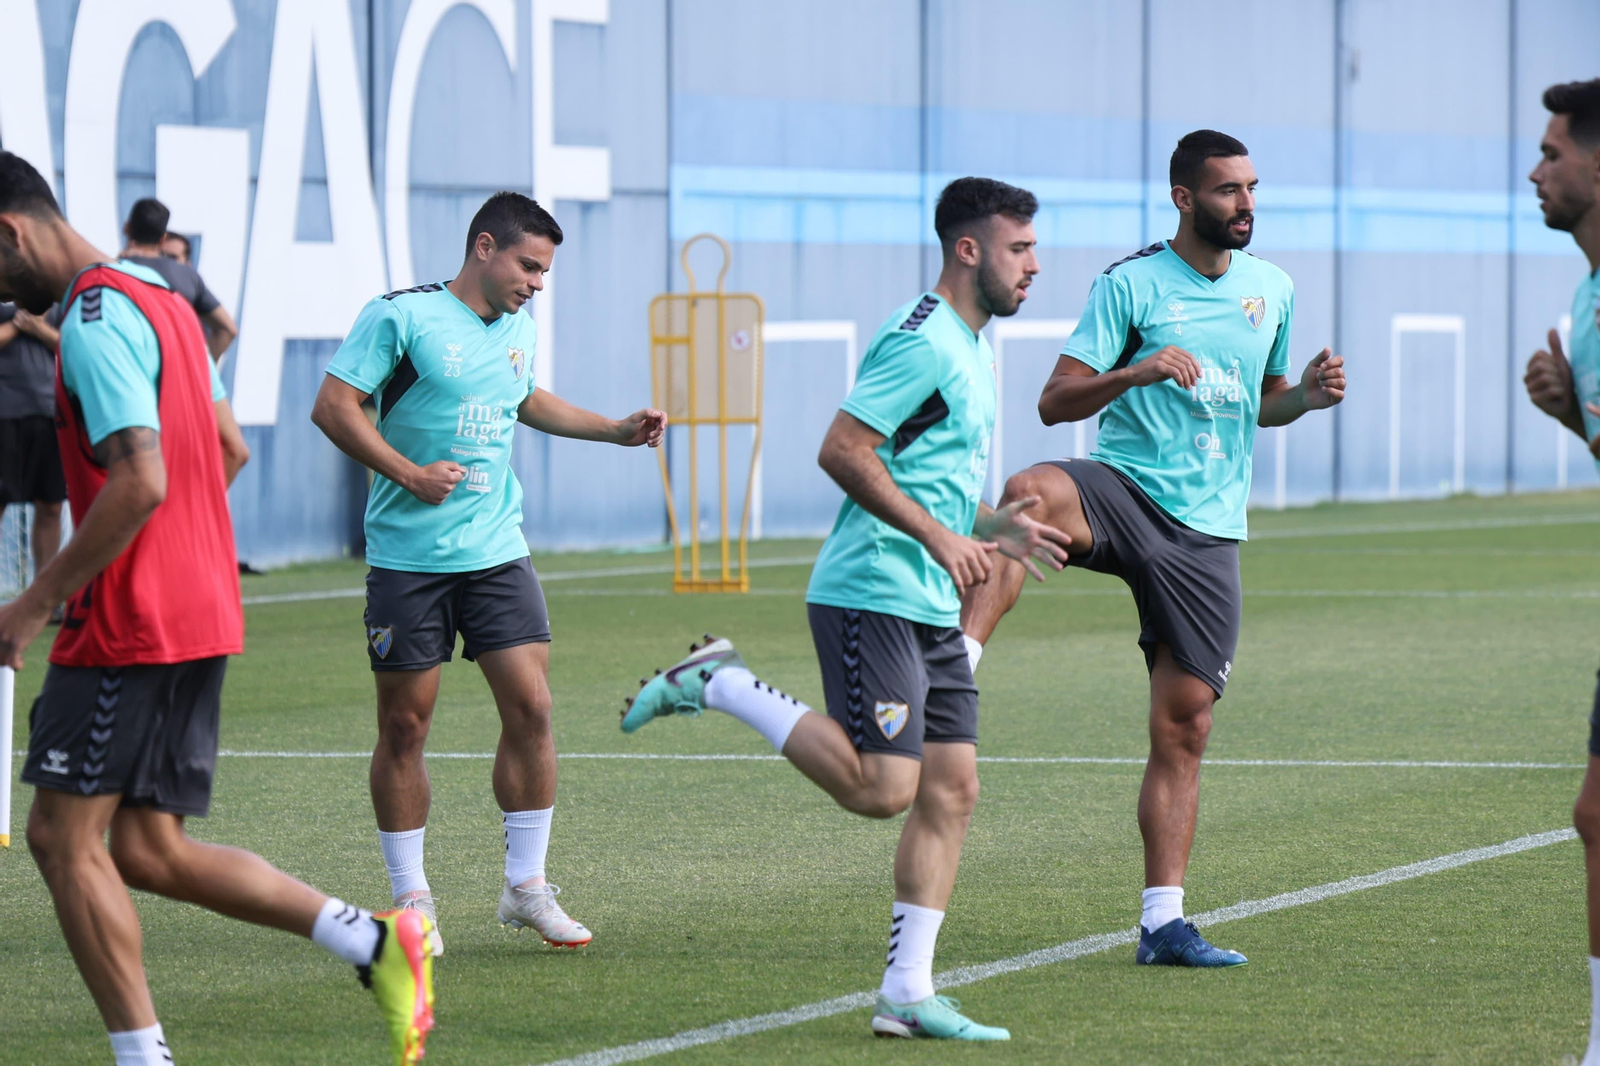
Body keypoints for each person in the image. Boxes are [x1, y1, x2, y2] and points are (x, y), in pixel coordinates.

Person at [0, 151, 436, 1066]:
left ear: (9, 233)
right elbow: (228, 448)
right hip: (200, 606)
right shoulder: (167, 299)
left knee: (59, 836)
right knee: (149, 850)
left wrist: (34, 603)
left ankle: (143, 1058)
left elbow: (140, 478)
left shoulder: (90, 315)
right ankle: (375, 942)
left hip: (131, 619)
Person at [621, 177, 1069, 1041]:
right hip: (872, 590)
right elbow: (842, 450)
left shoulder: (974, 346)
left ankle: (906, 992)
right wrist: (944, 540)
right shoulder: (923, 341)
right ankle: (719, 682)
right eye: (1020, 249)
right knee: (882, 788)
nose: (1034, 266)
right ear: (968, 250)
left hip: (928, 597)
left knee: (954, 789)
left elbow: (920, 475)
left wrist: (988, 527)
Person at [959, 131, 1346, 968]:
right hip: (1125, 492)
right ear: (1183, 198)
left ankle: (1163, 924)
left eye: (1251, 189)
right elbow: (1056, 401)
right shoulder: (1129, 285)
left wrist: (1306, 400)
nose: (1245, 204)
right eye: (1227, 191)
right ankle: (956, 666)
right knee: (1030, 491)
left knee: (1186, 726)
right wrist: (1132, 373)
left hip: (1209, 532)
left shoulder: (1271, 289)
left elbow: (1263, 404)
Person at [311, 190, 666, 955]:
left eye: (544, 272)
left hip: (496, 549)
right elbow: (334, 407)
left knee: (533, 708)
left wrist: (612, 431)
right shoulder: (399, 316)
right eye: (528, 266)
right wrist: (407, 473)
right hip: (409, 560)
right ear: (483, 246)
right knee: (406, 726)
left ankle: (526, 888)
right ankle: (412, 899)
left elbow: (523, 398)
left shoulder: (518, 328)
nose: (537, 283)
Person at [1522, 77, 1600, 1066]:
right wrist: (1575, 416)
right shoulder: (1584, 297)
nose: (1535, 171)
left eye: (1552, 154)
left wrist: (1572, 415)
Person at [0, 298, 66, 613]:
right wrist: (17, 325)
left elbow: (72, 347)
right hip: (4, 413)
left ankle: (45, 599)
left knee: (51, 505)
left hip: (49, 410)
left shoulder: (53, 291)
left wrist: (38, 329)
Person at [119, 198, 237, 361]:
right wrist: (201, 372)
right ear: (162, 239)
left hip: (128, 373)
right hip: (176, 379)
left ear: (126, 228)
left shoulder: (109, 271)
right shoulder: (188, 276)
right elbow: (228, 329)